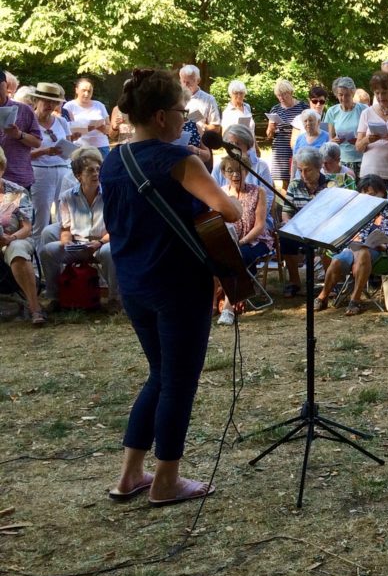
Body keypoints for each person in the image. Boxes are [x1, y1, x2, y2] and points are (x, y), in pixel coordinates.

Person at [101, 68, 241, 506]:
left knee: (159, 375)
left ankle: (130, 477)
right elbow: (230, 211)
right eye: (182, 112)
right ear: (161, 116)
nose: (187, 119)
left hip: (134, 283)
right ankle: (166, 481)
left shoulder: (112, 159)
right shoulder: (178, 159)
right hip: (178, 284)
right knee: (179, 381)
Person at [314, 174, 388, 315]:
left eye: (372, 194)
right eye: (364, 194)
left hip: (383, 251)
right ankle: (323, 296)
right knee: (337, 260)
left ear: (382, 192)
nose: (368, 198)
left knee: (364, 252)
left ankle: (355, 300)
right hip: (354, 246)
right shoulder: (358, 209)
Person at [39, 147, 117, 311]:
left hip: (102, 243)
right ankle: (54, 297)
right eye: (90, 171)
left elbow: (116, 228)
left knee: (109, 252)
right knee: (47, 250)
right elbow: (65, 228)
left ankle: (114, 299)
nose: (96, 174)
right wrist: (66, 243)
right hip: (78, 244)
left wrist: (99, 243)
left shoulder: (110, 194)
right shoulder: (67, 196)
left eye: (98, 169)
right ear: (78, 176)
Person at [215, 154, 272, 326]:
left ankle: (228, 308)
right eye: (230, 171)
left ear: (246, 170)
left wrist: (241, 242)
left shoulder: (258, 191)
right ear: (223, 173)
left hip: (256, 241)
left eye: (239, 170)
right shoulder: (221, 193)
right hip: (230, 242)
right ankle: (215, 299)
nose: (235, 175)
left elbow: (260, 225)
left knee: (236, 257)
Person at [0, 147, 46, 324]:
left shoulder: (15, 191)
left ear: (2, 168)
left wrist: (10, 238)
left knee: (17, 250)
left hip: (15, 238)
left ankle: (35, 308)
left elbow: (27, 227)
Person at [280, 146, 331, 297]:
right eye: (300, 170)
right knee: (285, 238)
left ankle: (330, 283)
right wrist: (288, 224)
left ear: (319, 167)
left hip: (324, 230)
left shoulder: (330, 185)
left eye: (307, 170)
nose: (303, 174)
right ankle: (295, 282)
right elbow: (286, 212)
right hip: (300, 230)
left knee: (328, 241)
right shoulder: (294, 185)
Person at [27, 83, 74, 240]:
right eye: (46, 101)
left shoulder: (61, 122)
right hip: (40, 171)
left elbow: (70, 146)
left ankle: (61, 255)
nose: (50, 105)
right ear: (36, 100)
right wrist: (45, 151)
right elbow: (21, 155)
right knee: (41, 216)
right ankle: (37, 261)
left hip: (64, 170)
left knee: (65, 216)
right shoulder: (28, 121)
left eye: (54, 102)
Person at [0, 73, 42, 191]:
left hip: (18, 179)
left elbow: (37, 142)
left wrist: (19, 135)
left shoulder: (24, 109)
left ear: (5, 86)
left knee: (21, 209)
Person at [265, 79, 308, 190]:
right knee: (284, 180)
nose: (282, 98)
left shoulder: (303, 107)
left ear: (291, 93)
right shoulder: (276, 109)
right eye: (279, 95)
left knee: (301, 176)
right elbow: (269, 135)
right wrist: (271, 128)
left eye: (284, 94)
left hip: (298, 145)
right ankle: (287, 204)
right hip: (281, 147)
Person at [325, 76, 366, 175]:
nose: (343, 98)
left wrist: (359, 141)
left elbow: (370, 135)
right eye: (340, 95)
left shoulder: (363, 109)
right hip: (341, 160)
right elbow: (330, 138)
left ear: (353, 93)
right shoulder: (332, 111)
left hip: (361, 159)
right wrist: (334, 141)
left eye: (347, 95)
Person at [63, 76, 112, 158]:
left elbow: (109, 129)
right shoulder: (69, 106)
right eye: (84, 90)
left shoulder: (99, 105)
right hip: (79, 147)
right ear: (77, 90)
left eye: (89, 91)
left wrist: (101, 127)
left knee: (103, 170)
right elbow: (66, 129)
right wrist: (87, 127)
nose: (86, 94)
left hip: (101, 147)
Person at [177, 65, 222, 136]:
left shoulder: (209, 99)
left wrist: (201, 126)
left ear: (198, 81)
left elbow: (216, 128)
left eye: (188, 82)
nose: (185, 85)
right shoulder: (175, 98)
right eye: (183, 81)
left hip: (199, 143)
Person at [290, 108, 329, 175]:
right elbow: (294, 162)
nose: (308, 123)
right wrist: (292, 180)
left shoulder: (327, 137)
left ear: (318, 122)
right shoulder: (300, 138)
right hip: (300, 177)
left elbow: (329, 161)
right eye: (305, 121)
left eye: (311, 120)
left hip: (319, 178)